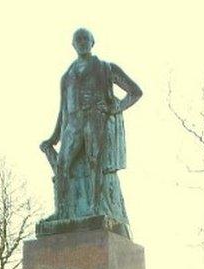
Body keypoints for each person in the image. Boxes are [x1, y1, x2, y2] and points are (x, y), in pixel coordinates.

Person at [39, 28, 142, 233]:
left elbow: (135, 92)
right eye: (78, 39)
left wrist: (115, 108)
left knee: (96, 162)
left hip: (95, 119)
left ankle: (96, 209)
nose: (82, 41)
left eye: (85, 38)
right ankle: (62, 211)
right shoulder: (66, 76)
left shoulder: (106, 67)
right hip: (73, 124)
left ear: (93, 42)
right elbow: (62, 109)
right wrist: (54, 137)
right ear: (73, 44)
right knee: (62, 166)